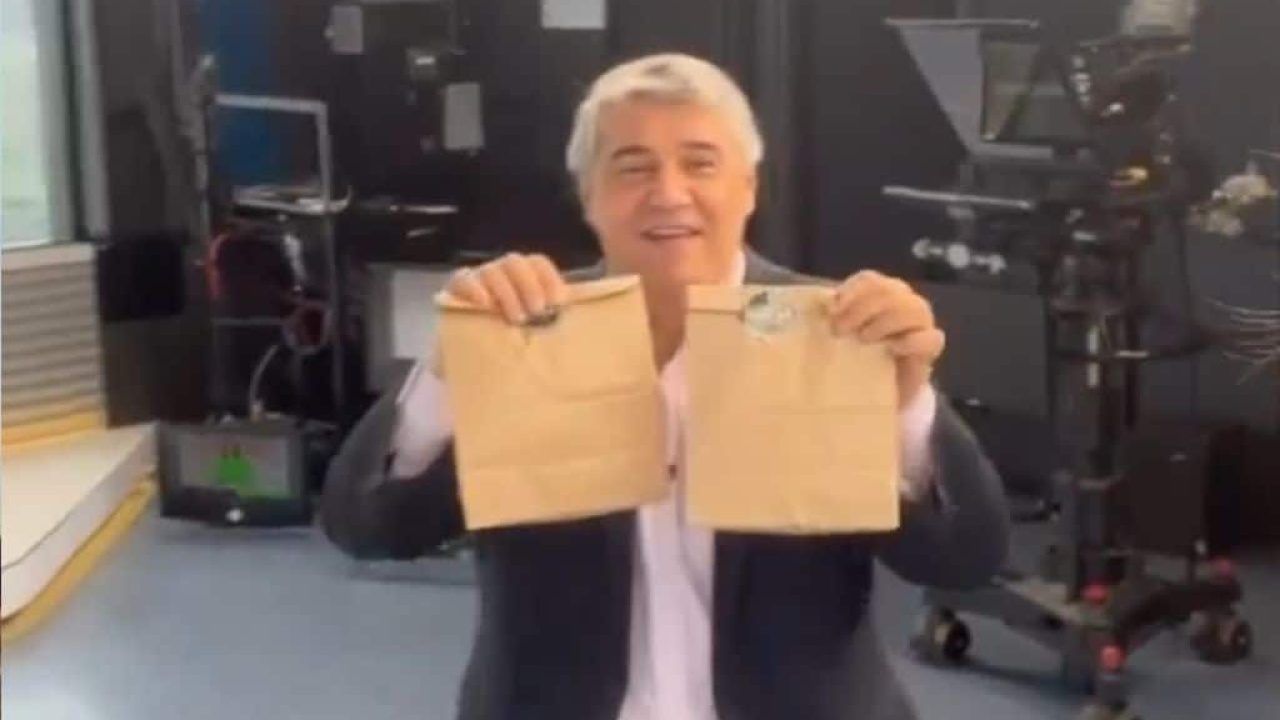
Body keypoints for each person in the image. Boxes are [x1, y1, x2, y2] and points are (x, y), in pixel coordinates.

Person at [322, 53, 1010, 720]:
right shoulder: (524, 337)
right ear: (589, 196)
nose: (669, 193)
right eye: (633, 166)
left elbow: (964, 556)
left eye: (700, 163)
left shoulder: (834, 334)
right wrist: (452, 368)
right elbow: (367, 527)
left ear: (748, 187)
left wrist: (905, 406)